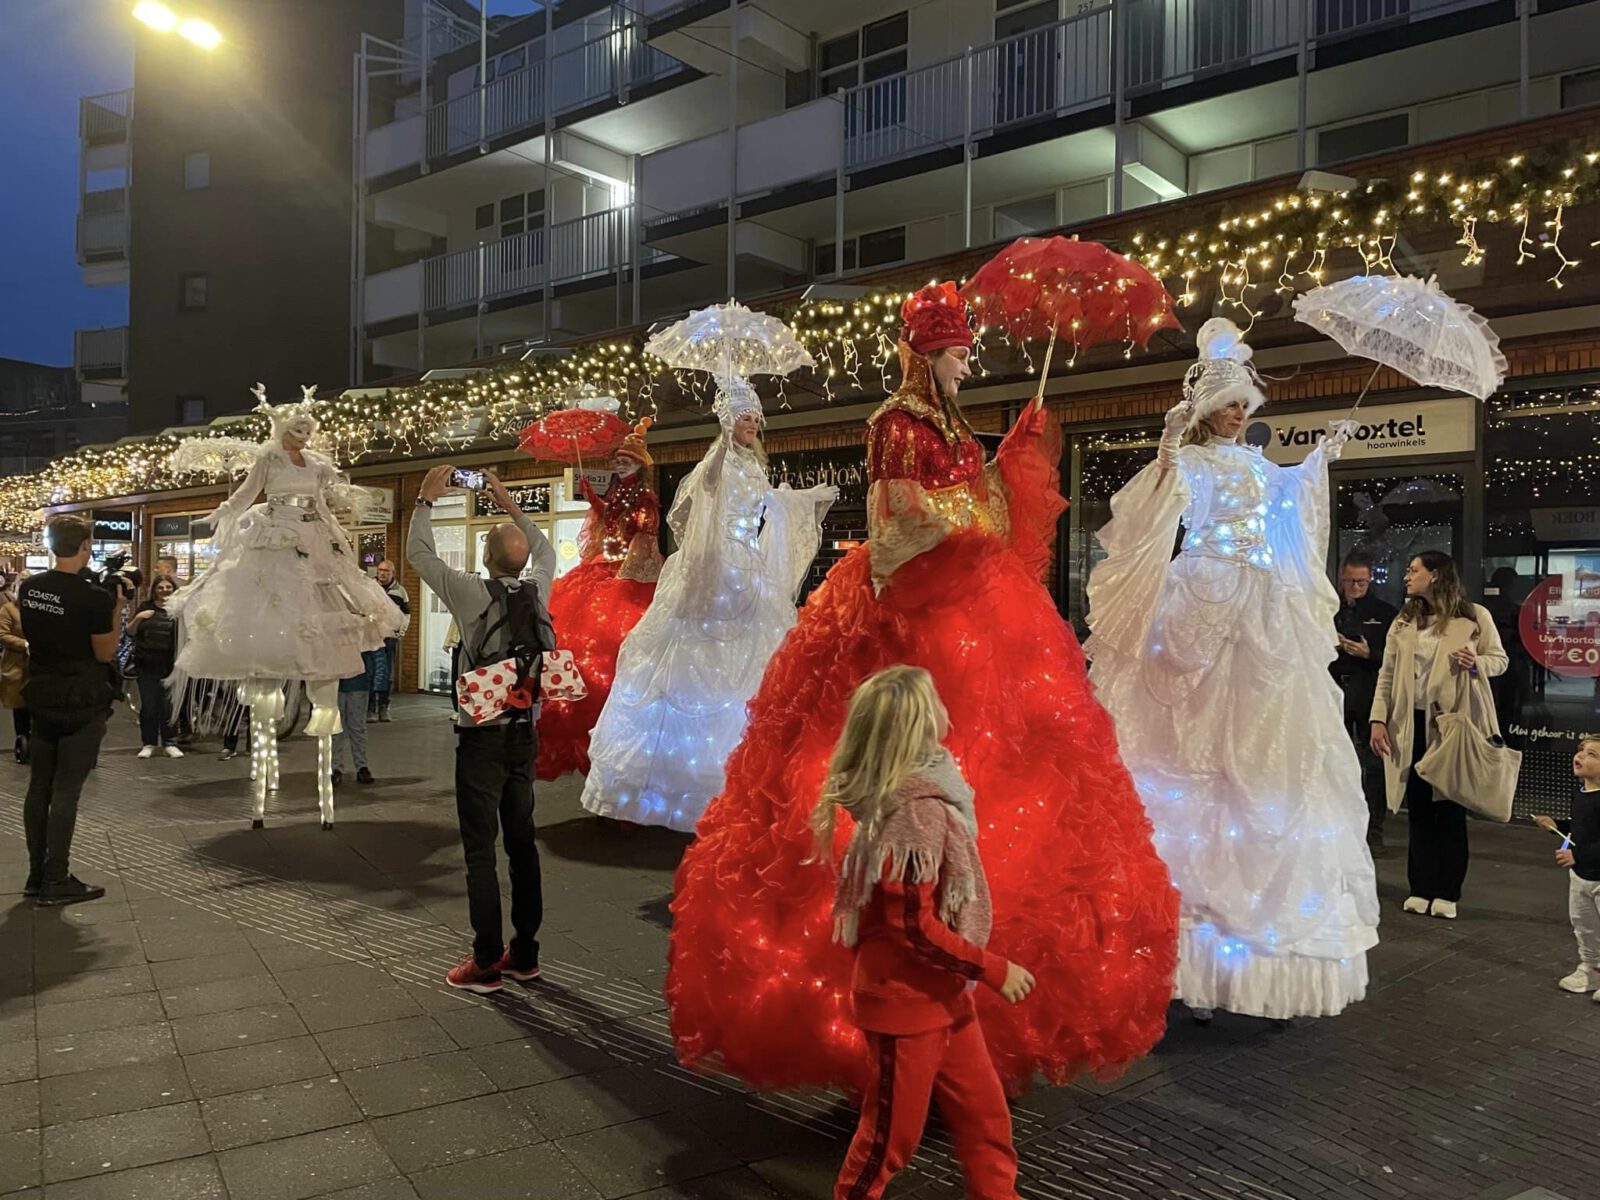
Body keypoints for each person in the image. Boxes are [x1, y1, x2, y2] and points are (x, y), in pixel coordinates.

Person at [668, 284, 1177, 1094]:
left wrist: (1006, 466)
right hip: (912, 620)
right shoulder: (892, 426)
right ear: (927, 353)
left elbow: (990, 523)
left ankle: (969, 1022)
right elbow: (896, 526)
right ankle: (880, 1015)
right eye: (957, 351)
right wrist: (973, 509)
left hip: (982, 615)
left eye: (966, 350)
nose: (968, 362)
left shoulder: (956, 429)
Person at [1086, 318, 1379, 1023]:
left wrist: (1318, 466)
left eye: (1245, 403)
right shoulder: (1193, 463)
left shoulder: (1257, 466)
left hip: (1262, 612)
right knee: (1189, 751)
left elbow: (1290, 513)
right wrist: (1164, 448)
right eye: (1228, 402)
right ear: (1205, 408)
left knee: (1268, 749)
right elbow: (1149, 507)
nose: (1239, 413)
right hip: (1202, 605)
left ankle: (1246, 961)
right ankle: (1180, 948)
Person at [813, 666, 1032, 1200]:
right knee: (890, 1139)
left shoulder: (923, 792)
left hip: (942, 996)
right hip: (907, 1002)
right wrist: (993, 968)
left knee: (986, 1120)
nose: (945, 707)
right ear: (918, 724)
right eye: (934, 701)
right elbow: (912, 924)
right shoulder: (916, 809)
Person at [579, 379, 835, 831]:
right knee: (692, 661)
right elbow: (702, 493)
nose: (751, 421)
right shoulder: (717, 463)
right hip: (714, 568)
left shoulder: (755, 468)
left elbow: (767, 506)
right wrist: (720, 447)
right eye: (743, 415)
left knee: (754, 663)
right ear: (726, 421)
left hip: (746, 570)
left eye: (755, 415)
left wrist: (801, 499)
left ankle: (744, 775)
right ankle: (684, 783)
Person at [167, 384, 403, 829]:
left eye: (307, 429)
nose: (303, 436)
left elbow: (322, 505)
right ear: (281, 429)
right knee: (272, 609)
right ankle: (268, 705)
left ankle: (320, 712)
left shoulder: (315, 464)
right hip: (276, 537)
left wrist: (339, 539)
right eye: (296, 429)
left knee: (324, 612)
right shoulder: (269, 459)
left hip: (312, 539)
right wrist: (222, 513)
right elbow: (247, 495)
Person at [409, 464, 554, 994]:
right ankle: (526, 954)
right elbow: (540, 546)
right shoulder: (541, 589)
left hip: (481, 734)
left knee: (479, 849)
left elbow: (418, 556)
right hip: (525, 733)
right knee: (522, 844)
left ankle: (487, 960)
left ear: (485, 559)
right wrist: (508, 499)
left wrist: (425, 500)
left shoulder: (471, 593)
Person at [1370, 551, 1509, 920]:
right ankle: (1420, 886)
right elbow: (1386, 673)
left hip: (1450, 725)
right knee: (1417, 808)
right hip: (1409, 723)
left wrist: (1475, 662)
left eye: (1414, 570)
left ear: (1435, 575)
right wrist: (1378, 719)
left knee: (1448, 808)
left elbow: (1499, 659)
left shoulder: (1474, 616)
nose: (1407, 577)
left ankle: (1447, 890)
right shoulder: (1404, 620)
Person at [535, 419, 663, 780]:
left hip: (626, 571)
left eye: (627, 460)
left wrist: (632, 528)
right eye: (618, 459)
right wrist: (593, 498)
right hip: (602, 567)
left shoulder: (644, 496)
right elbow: (608, 521)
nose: (620, 464)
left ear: (640, 465)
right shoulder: (618, 493)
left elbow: (645, 528)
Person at [18, 515, 124, 905]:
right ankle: (57, 877)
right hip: (81, 698)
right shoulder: (93, 596)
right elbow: (106, 651)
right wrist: (116, 607)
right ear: (85, 546)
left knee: (38, 787)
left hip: (42, 694)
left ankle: (36, 875)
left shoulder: (30, 589)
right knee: (66, 791)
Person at [1333, 551, 1398, 855]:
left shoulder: (1386, 612)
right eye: (1350, 582)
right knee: (1335, 759)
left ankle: (1374, 829)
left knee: (1373, 765)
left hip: (1368, 689)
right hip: (1334, 688)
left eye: (1361, 581)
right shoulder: (1329, 609)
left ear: (1370, 579)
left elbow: (1396, 658)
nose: (1355, 587)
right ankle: (1338, 822)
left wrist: (1369, 654)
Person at [1536, 734, 1600, 999]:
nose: (1581, 756)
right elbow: (1579, 829)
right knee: (1584, 925)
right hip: (1581, 878)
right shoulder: (1581, 794)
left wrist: (1578, 855)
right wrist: (1557, 827)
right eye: (1581, 751)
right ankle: (1591, 970)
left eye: (1592, 754)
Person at [126, 576, 184, 758]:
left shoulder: (179, 611)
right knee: (149, 706)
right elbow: (129, 632)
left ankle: (170, 742)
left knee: (169, 706)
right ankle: (149, 742)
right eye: (161, 587)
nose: (165, 590)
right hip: (147, 665)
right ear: (154, 590)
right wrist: (138, 618)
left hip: (170, 665)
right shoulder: (145, 608)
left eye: (168, 587)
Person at [370, 560, 409, 723]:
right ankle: (370, 707)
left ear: (393, 573)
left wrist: (401, 631)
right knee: (371, 672)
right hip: (372, 637)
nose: (383, 573)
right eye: (380, 570)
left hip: (390, 639)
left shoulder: (400, 592)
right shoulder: (370, 588)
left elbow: (406, 614)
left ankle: (384, 707)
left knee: (387, 673)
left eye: (386, 571)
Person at [331, 649, 378, 785]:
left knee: (357, 727)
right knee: (336, 727)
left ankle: (361, 766)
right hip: (336, 683)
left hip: (358, 682)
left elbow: (373, 652)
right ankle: (336, 767)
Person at [0, 580, 30, 764]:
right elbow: (2, 634)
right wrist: (24, 644)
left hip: (41, 664)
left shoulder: (41, 609)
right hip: (18, 664)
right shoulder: (8, 609)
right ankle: (22, 737)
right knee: (20, 705)